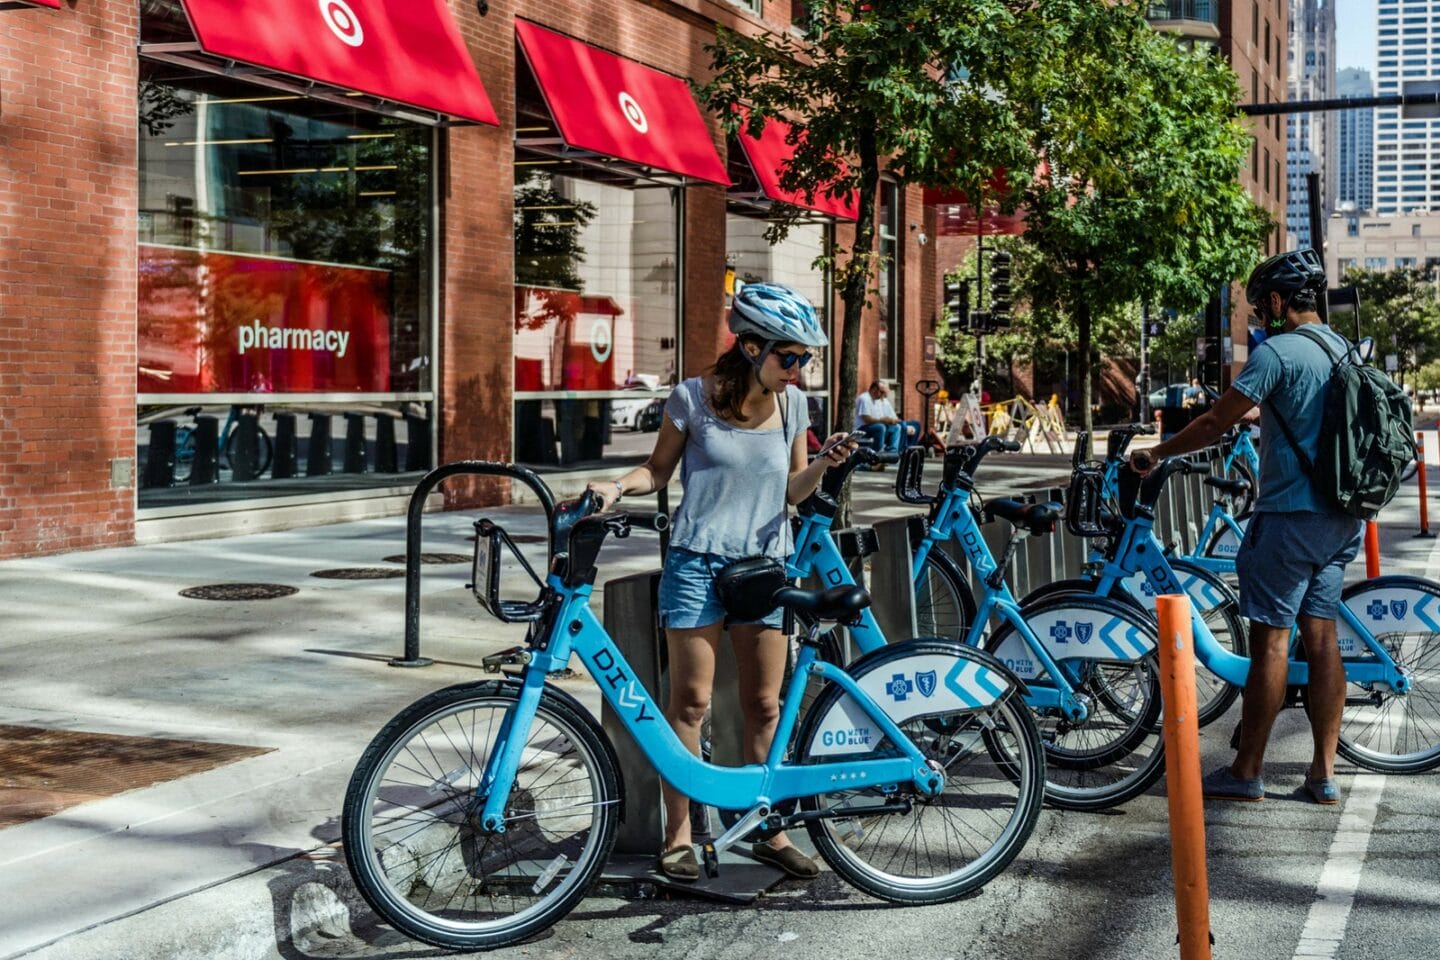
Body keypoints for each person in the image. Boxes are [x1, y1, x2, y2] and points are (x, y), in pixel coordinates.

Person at [586, 282, 857, 881]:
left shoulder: (793, 408)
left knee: (765, 705)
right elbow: (657, 471)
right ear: (752, 346)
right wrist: (613, 487)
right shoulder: (691, 397)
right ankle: (678, 837)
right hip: (697, 565)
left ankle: (768, 830)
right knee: (690, 704)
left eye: (805, 359)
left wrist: (822, 463)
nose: (798, 369)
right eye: (790, 357)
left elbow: (789, 492)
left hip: (766, 566)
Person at [1129, 248, 1361, 806]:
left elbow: (1213, 421)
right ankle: (1323, 774)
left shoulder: (1278, 352)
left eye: (1262, 306)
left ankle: (1247, 768)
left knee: (1271, 646)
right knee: (1323, 640)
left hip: (1287, 520)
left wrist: (1157, 453)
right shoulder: (1344, 348)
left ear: (1280, 301)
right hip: (1342, 518)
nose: (1260, 316)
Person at [853, 380, 921, 461]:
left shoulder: (877, 400)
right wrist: (884, 421)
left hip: (877, 425)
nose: (883, 395)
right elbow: (867, 419)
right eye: (881, 392)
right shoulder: (865, 398)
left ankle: (893, 453)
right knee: (881, 427)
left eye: (884, 393)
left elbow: (888, 417)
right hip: (862, 428)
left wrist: (892, 421)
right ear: (874, 389)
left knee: (899, 427)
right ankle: (878, 456)